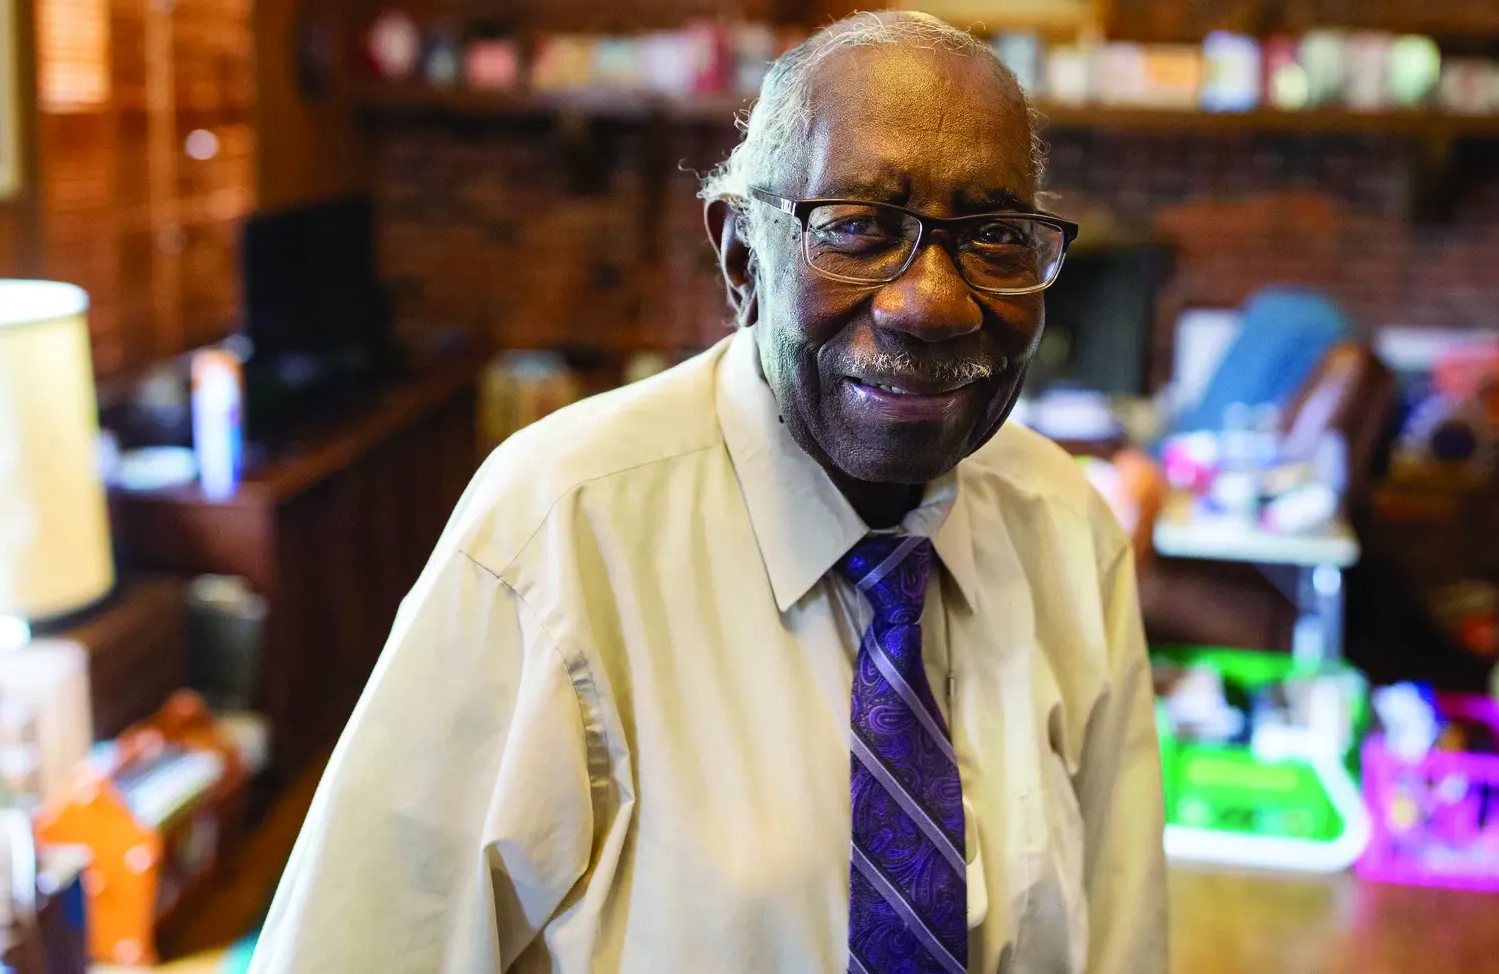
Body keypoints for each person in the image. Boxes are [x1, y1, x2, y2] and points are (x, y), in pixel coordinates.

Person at [251, 12, 1165, 974]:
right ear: (741, 260)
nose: (930, 302)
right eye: (856, 226)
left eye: (993, 237)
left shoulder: (1063, 528)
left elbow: (1122, 933)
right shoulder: (555, 533)